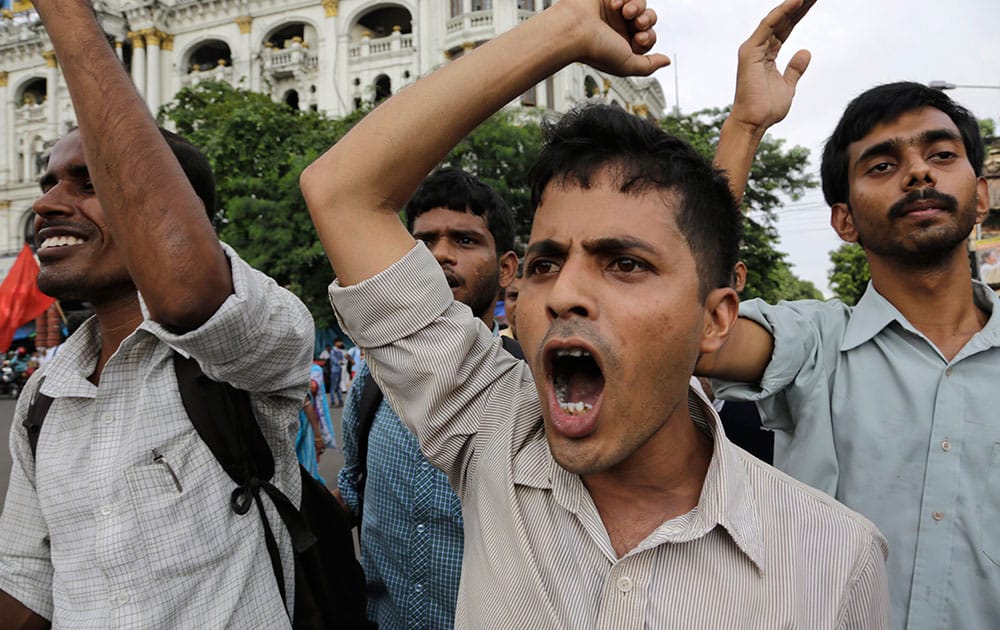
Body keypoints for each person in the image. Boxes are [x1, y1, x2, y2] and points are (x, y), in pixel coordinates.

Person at [303, 0, 890, 626]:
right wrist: (565, 29)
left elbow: (695, 254)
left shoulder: (834, 558)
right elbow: (344, 194)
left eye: (625, 264)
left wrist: (742, 129)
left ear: (717, 320)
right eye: (546, 264)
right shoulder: (491, 434)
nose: (562, 295)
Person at [0, 2, 312, 627]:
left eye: (90, 183)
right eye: (49, 183)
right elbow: (27, 580)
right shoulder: (43, 399)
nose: (47, 205)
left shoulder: (251, 347)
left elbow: (190, 293)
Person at [699, 80, 997, 629]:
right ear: (845, 221)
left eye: (941, 155)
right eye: (882, 165)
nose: (918, 173)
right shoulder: (814, 344)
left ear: (981, 196)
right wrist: (743, 128)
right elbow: (688, 331)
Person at [336, 166, 518, 629]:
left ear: (507, 268)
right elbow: (354, 498)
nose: (440, 255)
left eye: (465, 240)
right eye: (423, 242)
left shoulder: (529, 392)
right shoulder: (372, 384)